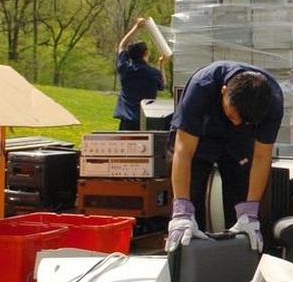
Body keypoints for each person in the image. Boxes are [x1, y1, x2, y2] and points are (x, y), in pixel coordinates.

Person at [165, 61, 284, 254]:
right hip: (199, 138)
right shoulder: (201, 86)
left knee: (244, 206)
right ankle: (183, 266)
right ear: (223, 91)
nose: (236, 121)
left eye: (242, 119)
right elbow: (183, 152)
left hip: (239, 142)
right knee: (187, 215)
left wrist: (251, 211)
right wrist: (182, 210)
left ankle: (244, 267)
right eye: (232, 115)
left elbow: (262, 157)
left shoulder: (272, 101)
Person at [113, 17, 166, 131]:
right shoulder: (153, 73)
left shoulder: (125, 69)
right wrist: (161, 64)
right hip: (146, 121)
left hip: (126, 121)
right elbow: (162, 85)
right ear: (145, 53)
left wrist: (136, 27)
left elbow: (122, 45)